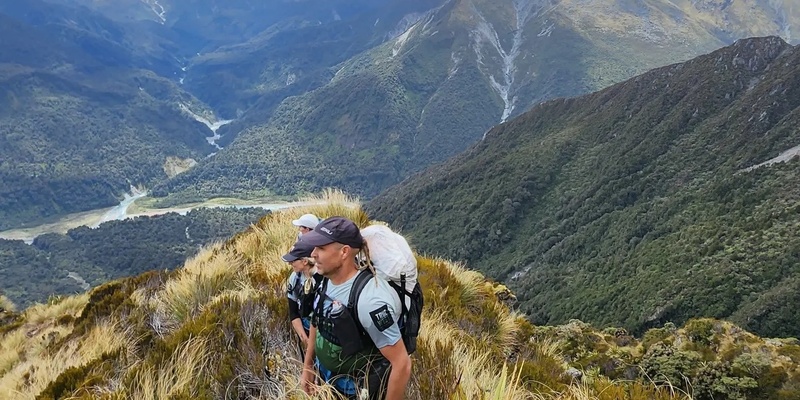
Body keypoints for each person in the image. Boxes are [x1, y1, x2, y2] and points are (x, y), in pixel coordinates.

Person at [299, 217, 411, 400]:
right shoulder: (326, 280)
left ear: (344, 252)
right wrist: (308, 367)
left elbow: (401, 363)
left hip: (355, 390)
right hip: (327, 382)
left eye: (321, 248)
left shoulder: (371, 301)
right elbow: (317, 320)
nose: (313, 254)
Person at [283, 240, 321, 346]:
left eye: (293, 260)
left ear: (304, 261)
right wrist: (305, 339)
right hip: (306, 329)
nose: (290, 263)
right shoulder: (295, 279)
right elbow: (293, 312)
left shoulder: (322, 277)